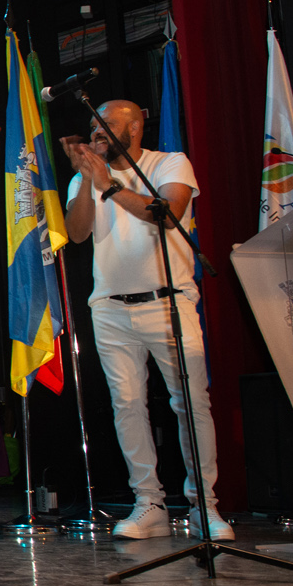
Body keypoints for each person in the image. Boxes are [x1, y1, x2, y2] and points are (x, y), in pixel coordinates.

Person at [61, 100, 226, 539]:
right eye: (92, 127)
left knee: (190, 402)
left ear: (134, 127)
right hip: (110, 307)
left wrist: (109, 185)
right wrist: (87, 180)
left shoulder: (169, 163)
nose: (96, 133)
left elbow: (168, 214)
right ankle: (148, 502)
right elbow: (76, 232)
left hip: (168, 302)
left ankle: (205, 507)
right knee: (127, 406)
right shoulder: (85, 177)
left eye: (106, 125)